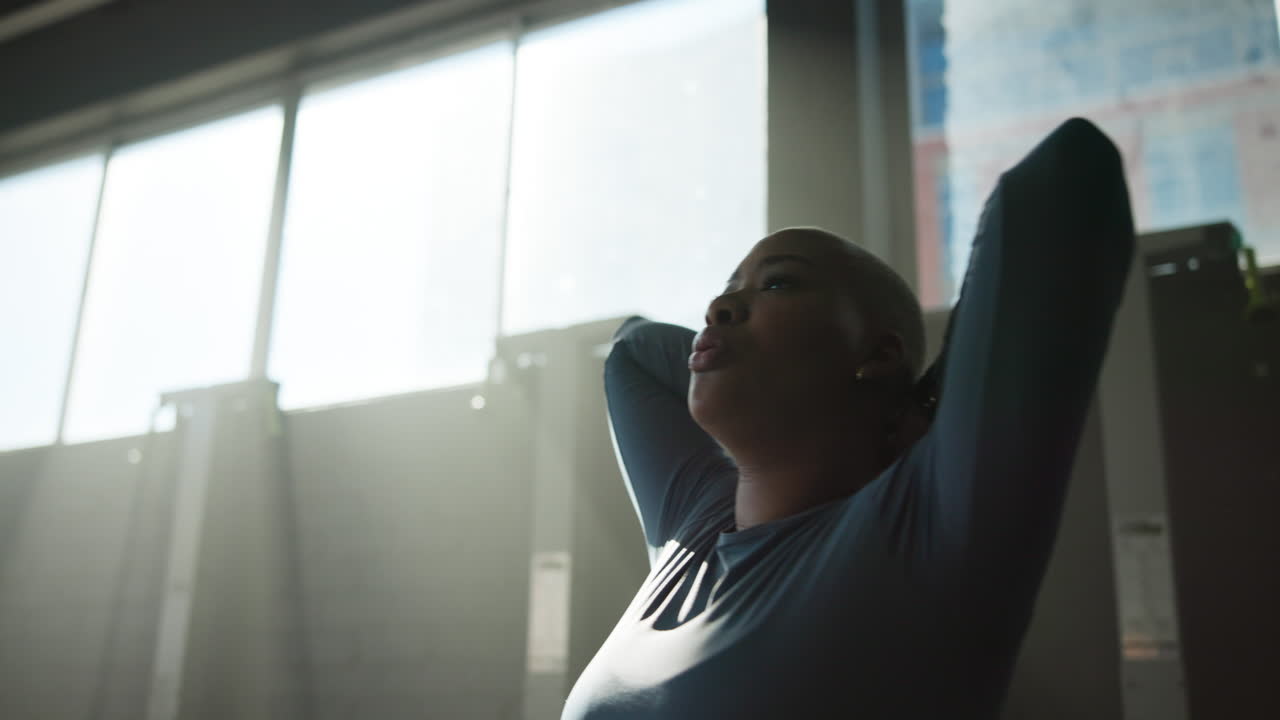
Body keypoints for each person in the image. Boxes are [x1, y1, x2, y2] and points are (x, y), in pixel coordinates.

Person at [561, 118, 1136, 719]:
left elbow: (1066, 179)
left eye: (778, 283)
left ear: (880, 355)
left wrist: (927, 400)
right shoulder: (693, 525)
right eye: (729, 289)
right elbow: (632, 353)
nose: (720, 306)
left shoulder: (918, 532)